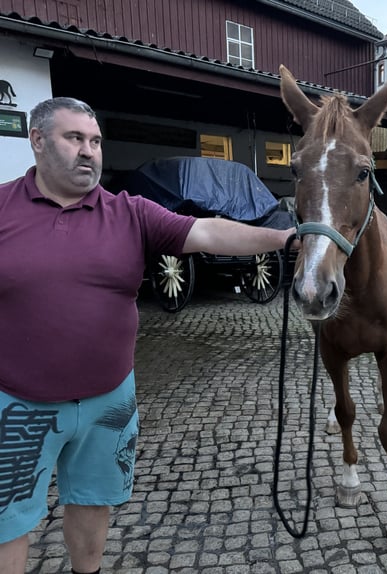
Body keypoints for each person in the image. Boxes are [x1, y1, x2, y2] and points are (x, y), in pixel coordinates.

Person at [0, 97, 297, 573]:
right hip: (17, 402)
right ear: (37, 141)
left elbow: (207, 232)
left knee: (94, 504)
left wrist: (285, 237)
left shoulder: (130, 213)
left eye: (95, 142)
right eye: (74, 138)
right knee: (7, 522)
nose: (88, 151)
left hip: (109, 401)